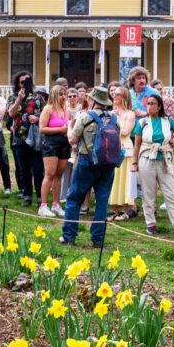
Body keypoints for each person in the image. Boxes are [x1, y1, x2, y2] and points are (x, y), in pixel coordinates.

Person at [60, 87, 118, 248]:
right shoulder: (114, 119)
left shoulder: (85, 117)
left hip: (86, 161)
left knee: (74, 198)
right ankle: (98, 239)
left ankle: (69, 236)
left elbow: (72, 139)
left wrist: (70, 126)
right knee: (102, 201)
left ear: (93, 100)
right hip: (107, 164)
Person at [132, 93, 174, 235]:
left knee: (170, 192)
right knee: (148, 193)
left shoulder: (168, 120)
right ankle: (151, 224)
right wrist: (134, 163)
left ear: (159, 106)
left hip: (164, 159)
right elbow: (137, 145)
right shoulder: (142, 122)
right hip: (146, 158)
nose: (149, 106)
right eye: (148, 103)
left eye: (152, 103)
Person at [8, 71, 45, 207]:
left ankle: (40, 196)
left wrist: (37, 118)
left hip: (36, 138)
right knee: (24, 169)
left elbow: (47, 113)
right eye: (22, 82)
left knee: (38, 168)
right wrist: (19, 99)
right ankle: (27, 196)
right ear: (18, 83)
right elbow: (11, 113)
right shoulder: (13, 97)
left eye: (27, 81)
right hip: (19, 138)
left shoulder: (38, 97)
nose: (25, 84)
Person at [38, 84, 72, 217]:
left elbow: (69, 125)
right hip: (51, 143)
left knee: (59, 174)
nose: (64, 97)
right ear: (54, 95)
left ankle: (56, 205)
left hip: (64, 143)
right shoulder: (48, 109)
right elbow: (42, 128)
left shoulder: (66, 109)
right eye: (61, 94)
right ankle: (43, 206)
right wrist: (60, 129)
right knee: (50, 174)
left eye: (65, 94)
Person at [108, 86, 138, 220]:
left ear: (124, 97)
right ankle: (114, 210)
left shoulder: (130, 114)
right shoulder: (111, 113)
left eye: (117, 94)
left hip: (125, 148)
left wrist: (117, 119)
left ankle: (125, 211)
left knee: (125, 178)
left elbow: (126, 132)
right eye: (113, 94)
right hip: (112, 147)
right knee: (113, 178)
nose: (114, 96)